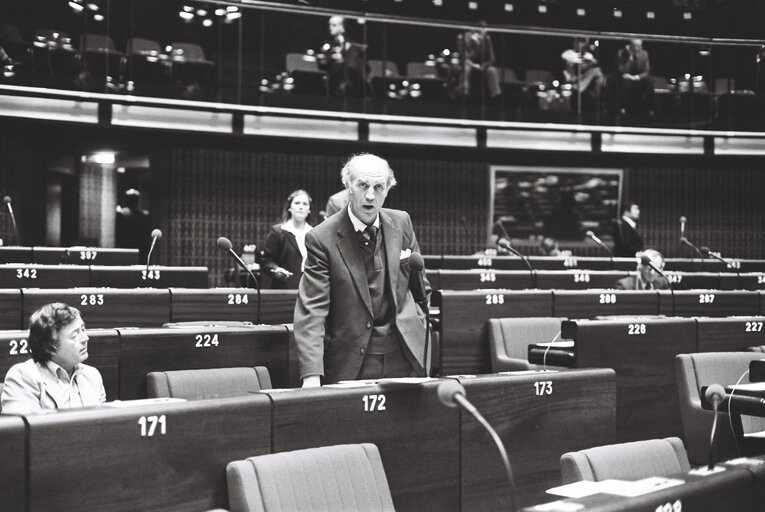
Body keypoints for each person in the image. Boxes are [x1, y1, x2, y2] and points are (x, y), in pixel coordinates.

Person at [294, 153, 431, 387]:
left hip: (407, 354)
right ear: (348, 186)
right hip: (353, 360)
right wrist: (311, 376)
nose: (370, 195)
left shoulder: (401, 222)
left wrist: (420, 319)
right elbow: (312, 313)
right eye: (363, 185)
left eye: (378, 187)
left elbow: (420, 287)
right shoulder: (321, 238)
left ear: (388, 189)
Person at [1, 303, 106, 414]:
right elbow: (26, 430)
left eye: (83, 329)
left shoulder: (93, 376)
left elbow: (103, 426)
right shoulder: (23, 377)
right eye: (75, 335)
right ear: (51, 346)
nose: (85, 338)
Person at [261, 190, 314, 289]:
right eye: (297, 203)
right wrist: (276, 269)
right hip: (284, 289)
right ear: (289, 208)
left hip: (309, 291)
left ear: (309, 210)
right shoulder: (278, 232)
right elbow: (266, 260)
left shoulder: (315, 234)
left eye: (305, 204)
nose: (301, 206)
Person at [316, 15, 367, 98]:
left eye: (334, 25)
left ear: (342, 27)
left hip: (351, 84)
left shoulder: (353, 45)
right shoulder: (327, 43)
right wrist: (331, 58)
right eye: (329, 25)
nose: (330, 27)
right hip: (333, 82)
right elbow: (322, 63)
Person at [456, 23, 501, 102]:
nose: (482, 30)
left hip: (482, 65)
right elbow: (464, 57)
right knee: (466, 68)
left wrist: (484, 65)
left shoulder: (486, 38)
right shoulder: (462, 37)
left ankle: (496, 96)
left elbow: (492, 59)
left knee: (492, 70)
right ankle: (464, 92)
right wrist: (476, 46)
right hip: (467, 63)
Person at [612, 39, 654, 117]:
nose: (637, 48)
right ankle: (623, 107)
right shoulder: (621, 53)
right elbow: (621, 71)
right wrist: (629, 57)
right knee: (626, 81)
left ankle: (649, 108)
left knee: (649, 81)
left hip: (637, 78)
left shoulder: (644, 54)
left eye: (639, 46)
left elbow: (647, 71)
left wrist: (636, 77)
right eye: (635, 46)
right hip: (625, 77)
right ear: (630, 45)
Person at [561, 36, 604, 111]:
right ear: (574, 42)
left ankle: (597, 95)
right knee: (596, 71)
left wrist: (588, 63)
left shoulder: (589, 55)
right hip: (573, 80)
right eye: (578, 41)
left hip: (585, 81)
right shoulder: (568, 53)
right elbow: (568, 65)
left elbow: (593, 64)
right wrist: (580, 62)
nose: (580, 43)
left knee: (598, 71)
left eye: (583, 41)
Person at [116, 188, 151, 262]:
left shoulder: (122, 213)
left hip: (126, 247)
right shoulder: (145, 214)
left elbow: (119, 234)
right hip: (140, 248)